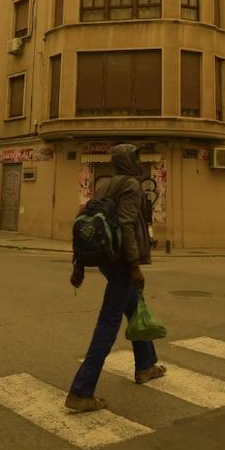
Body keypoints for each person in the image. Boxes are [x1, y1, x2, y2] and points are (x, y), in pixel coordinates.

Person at [65, 143, 164, 413]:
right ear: (129, 161)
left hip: (106, 259)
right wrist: (134, 266)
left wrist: (78, 264)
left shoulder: (104, 184)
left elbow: (87, 221)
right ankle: (81, 391)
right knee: (108, 323)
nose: (139, 163)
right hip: (121, 262)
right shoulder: (131, 185)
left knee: (133, 306)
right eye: (136, 158)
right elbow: (127, 225)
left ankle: (146, 365)